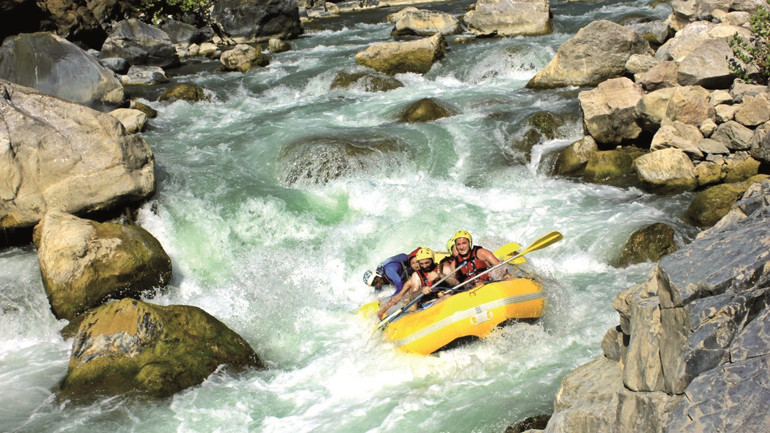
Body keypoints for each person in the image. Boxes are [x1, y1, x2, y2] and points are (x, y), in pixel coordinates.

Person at [378, 248, 460, 318]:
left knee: (448, 296)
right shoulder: (416, 276)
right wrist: (422, 290)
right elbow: (412, 297)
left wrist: (440, 276)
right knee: (412, 305)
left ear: (432, 260)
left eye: (427, 263)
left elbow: (456, 283)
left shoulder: (443, 268)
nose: (424, 266)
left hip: (446, 297)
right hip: (429, 303)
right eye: (421, 264)